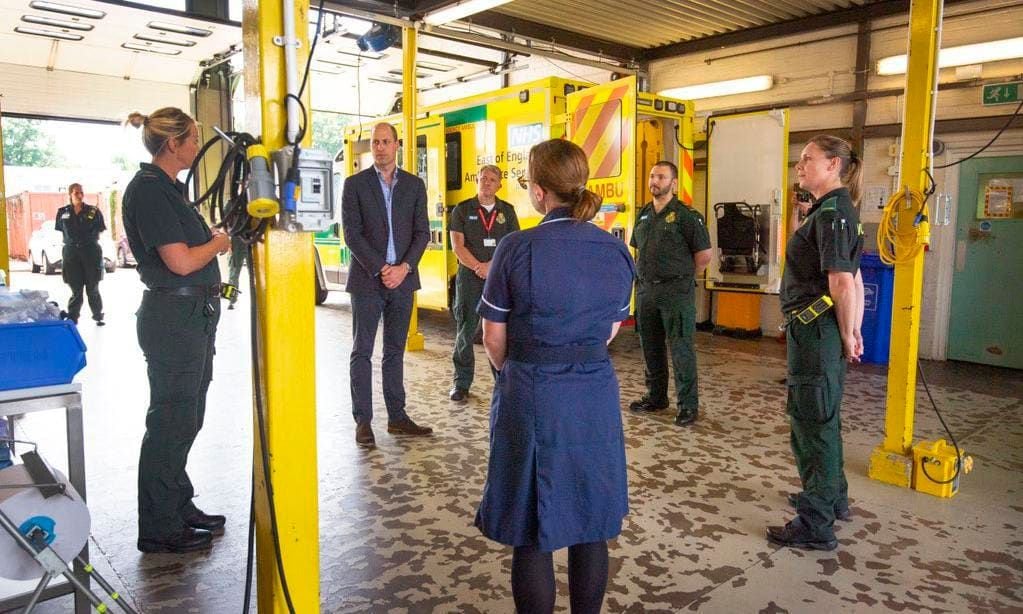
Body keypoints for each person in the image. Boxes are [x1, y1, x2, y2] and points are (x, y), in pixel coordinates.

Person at [475, 139, 635, 613]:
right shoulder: (616, 250)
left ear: (541, 193)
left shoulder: (516, 247)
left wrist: (520, 372)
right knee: (592, 520)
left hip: (532, 393)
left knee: (531, 529)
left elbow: (492, 337)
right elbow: (609, 331)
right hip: (594, 396)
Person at [123, 108, 232, 554]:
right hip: (174, 320)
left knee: (187, 416)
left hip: (192, 318)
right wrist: (219, 243)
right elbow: (182, 261)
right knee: (170, 420)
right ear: (173, 144)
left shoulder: (170, 190)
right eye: (193, 140)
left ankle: (177, 503)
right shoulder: (149, 192)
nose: (196, 148)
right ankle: (159, 527)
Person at [767, 135, 865, 551]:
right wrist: (854, 328)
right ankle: (831, 497)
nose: (799, 166)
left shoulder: (833, 215)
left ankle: (816, 522)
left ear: (834, 165)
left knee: (813, 425)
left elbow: (842, 280)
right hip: (820, 330)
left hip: (816, 333)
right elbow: (853, 276)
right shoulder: (830, 211)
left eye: (808, 159)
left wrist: (846, 334)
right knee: (824, 418)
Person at [341, 122, 433, 448]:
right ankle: (363, 422)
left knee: (394, 352)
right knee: (361, 352)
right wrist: (383, 269)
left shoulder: (414, 185)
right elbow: (351, 234)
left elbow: (422, 232)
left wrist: (404, 268)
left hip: (404, 282)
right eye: (375, 142)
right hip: (367, 281)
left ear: (397, 145)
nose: (380, 147)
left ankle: (397, 417)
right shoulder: (354, 185)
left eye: (385, 142)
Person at [628, 161, 712, 426]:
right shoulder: (643, 215)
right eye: (652, 176)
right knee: (651, 347)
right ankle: (656, 397)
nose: (655, 181)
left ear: (673, 183)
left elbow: (704, 256)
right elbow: (638, 249)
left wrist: (682, 278)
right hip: (647, 292)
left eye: (661, 177)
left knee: (681, 349)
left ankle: (688, 405)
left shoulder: (687, 216)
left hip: (676, 292)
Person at [448, 164, 520, 401]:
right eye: (482, 178)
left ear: (499, 185)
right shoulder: (462, 210)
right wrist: (479, 267)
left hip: (498, 278)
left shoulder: (507, 212)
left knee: (499, 331)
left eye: (491, 179)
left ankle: (503, 381)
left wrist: (492, 268)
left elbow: (512, 246)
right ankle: (461, 383)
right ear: (476, 181)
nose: (486, 182)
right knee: (466, 330)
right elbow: (458, 246)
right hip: (469, 277)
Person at [55, 183, 105, 325]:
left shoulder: (93, 211)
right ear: (70, 194)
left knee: (92, 286)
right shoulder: (63, 212)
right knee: (75, 287)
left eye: (81, 192)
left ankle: (97, 315)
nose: (80, 195)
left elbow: (100, 229)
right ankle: (73, 316)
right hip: (71, 253)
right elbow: (61, 230)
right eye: (76, 192)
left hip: (90, 252)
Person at [225, 234, 248, 309]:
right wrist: (229, 244)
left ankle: (230, 300)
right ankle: (230, 300)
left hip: (252, 239)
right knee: (232, 274)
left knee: (258, 275)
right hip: (237, 241)